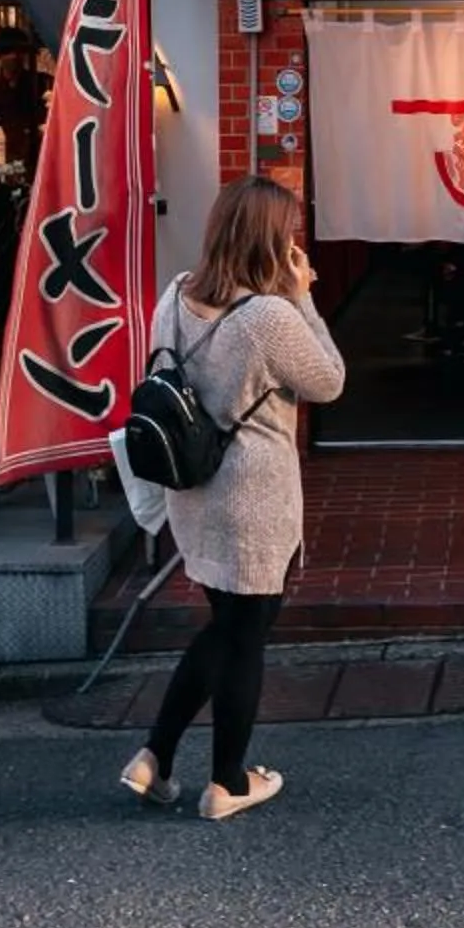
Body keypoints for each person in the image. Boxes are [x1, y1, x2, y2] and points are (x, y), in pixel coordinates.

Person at [120, 176, 345, 822]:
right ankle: (226, 783)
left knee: (228, 626)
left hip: (192, 490)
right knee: (244, 635)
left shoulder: (174, 296)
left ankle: (156, 758)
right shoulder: (269, 318)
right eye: (288, 232)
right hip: (252, 498)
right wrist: (303, 298)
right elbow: (329, 381)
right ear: (271, 241)